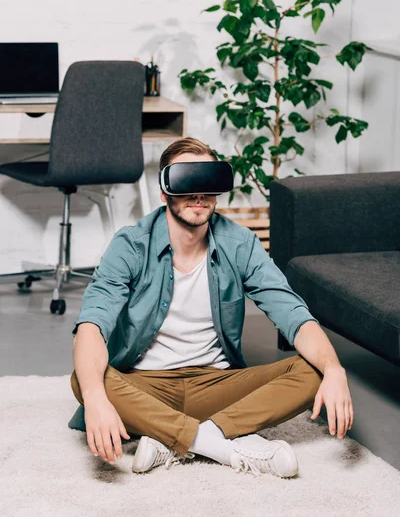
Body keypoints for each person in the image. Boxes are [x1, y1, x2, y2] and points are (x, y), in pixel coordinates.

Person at [69, 137, 354, 478]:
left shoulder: (240, 243)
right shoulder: (131, 245)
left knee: (316, 369)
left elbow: (292, 314)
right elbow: (92, 326)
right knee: (84, 381)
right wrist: (96, 398)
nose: (199, 195)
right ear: (164, 191)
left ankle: (174, 438)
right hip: (145, 385)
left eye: (208, 183)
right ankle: (220, 445)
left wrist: (335, 369)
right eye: (187, 182)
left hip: (216, 383)